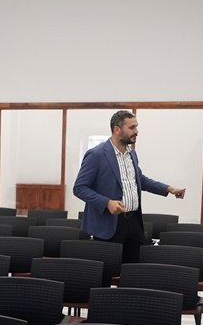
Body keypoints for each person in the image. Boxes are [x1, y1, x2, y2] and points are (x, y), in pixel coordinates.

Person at [73, 110, 185, 263]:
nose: (136, 131)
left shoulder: (131, 152)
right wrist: (107, 203)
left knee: (134, 269)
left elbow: (139, 180)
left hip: (133, 222)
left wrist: (168, 188)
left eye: (136, 126)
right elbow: (79, 188)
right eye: (132, 127)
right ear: (117, 129)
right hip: (109, 224)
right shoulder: (96, 155)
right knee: (109, 271)